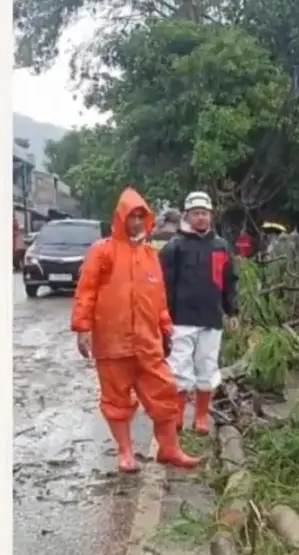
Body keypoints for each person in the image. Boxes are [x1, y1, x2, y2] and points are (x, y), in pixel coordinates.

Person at [70, 188, 201, 472]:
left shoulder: (150, 255)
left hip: (147, 343)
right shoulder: (102, 251)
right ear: (121, 218)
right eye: (133, 216)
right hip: (112, 342)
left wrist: (166, 327)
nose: (138, 222)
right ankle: (126, 453)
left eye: (142, 216)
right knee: (116, 399)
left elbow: (159, 297)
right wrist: (82, 328)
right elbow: (86, 291)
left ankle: (169, 449)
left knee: (164, 392)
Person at [159, 191, 240, 434]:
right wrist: (162, 317)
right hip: (181, 319)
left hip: (210, 318)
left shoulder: (221, 247)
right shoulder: (174, 247)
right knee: (178, 369)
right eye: (196, 213)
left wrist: (232, 311)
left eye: (204, 213)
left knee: (207, 368)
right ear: (187, 216)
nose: (201, 218)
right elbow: (163, 285)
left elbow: (229, 282)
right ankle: (178, 416)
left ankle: (202, 418)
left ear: (210, 216)